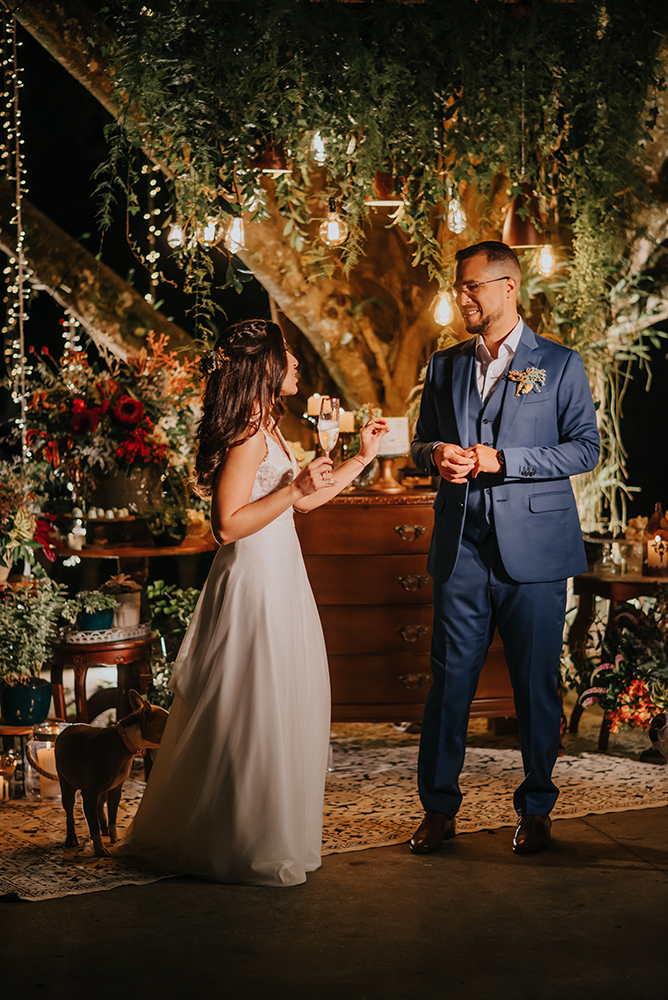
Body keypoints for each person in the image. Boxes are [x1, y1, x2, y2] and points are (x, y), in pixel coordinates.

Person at [119, 319, 388, 886]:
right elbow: (226, 524)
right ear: (265, 367)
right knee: (251, 705)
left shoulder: (270, 426)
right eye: (286, 354)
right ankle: (239, 841)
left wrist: (359, 458)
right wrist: (292, 489)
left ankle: (268, 830)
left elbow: (305, 505)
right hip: (253, 581)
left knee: (280, 700)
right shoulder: (245, 432)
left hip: (282, 574)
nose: (294, 362)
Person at [409, 241, 600, 856]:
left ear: (508, 287)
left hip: (536, 554)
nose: (462, 296)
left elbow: (585, 450)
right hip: (462, 547)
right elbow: (420, 445)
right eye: (460, 286)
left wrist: (505, 460)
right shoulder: (445, 365)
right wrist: (437, 455)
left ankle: (538, 809)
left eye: (472, 286)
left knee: (535, 684)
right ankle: (438, 809)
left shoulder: (561, 365)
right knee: (449, 685)